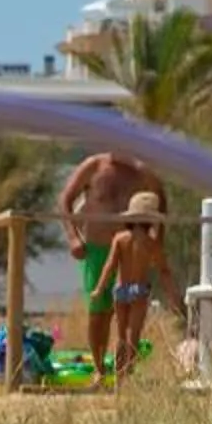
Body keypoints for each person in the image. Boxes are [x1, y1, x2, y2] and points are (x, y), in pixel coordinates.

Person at [58, 147, 150, 379]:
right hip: (97, 247)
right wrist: (72, 237)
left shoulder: (140, 172)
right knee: (98, 311)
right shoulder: (94, 166)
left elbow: (160, 197)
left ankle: (125, 372)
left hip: (130, 250)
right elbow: (65, 200)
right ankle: (99, 370)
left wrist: (155, 239)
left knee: (129, 311)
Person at [103, 191, 169, 377]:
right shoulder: (151, 243)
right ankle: (128, 371)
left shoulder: (120, 238)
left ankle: (119, 376)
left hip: (120, 288)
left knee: (121, 335)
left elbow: (110, 266)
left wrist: (99, 288)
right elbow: (163, 268)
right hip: (139, 289)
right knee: (134, 335)